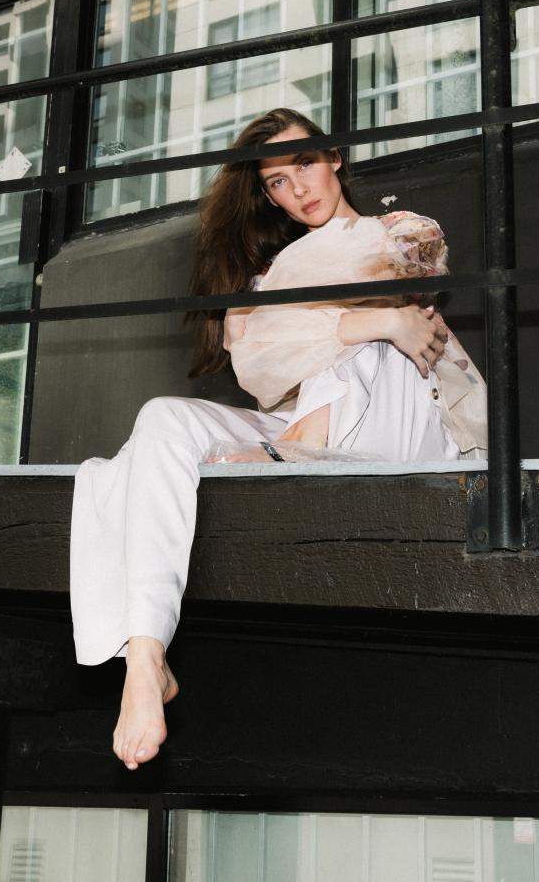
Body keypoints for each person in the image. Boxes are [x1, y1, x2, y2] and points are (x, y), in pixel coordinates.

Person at [70, 108, 487, 771]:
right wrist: (377, 322)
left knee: (361, 351)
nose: (298, 189)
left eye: (305, 164)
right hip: (312, 430)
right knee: (162, 419)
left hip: (408, 429)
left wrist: (365, 325)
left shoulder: (400, 230)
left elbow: (410, 279)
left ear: (335, 156)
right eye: (276, 183)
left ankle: (285, 454)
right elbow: (258, 364)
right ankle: (145, 656)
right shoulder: (270, 275)